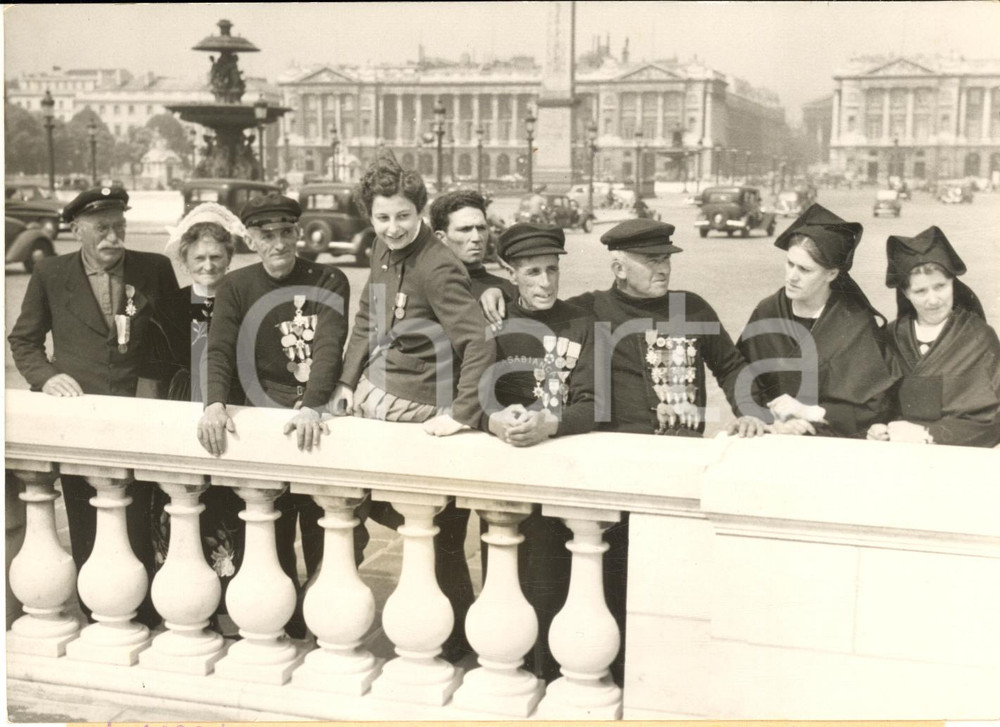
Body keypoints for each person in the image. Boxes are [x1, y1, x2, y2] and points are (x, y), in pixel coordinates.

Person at [480, 217, 767, 684]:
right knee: (605, 583)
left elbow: (732, 366)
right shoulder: (588, 311)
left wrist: (752, 411)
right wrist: (488, 293)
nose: (664, 269)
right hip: (612, 470)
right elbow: (532, 301)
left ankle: (652, 683)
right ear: (618, 266)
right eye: (651, 260)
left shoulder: (691, 307)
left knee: (664, 589)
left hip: (674, 467)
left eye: (666, 259)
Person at [329, 150, 496, 663]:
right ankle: (454, 627)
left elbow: (479, 344)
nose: (393, 227)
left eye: (403, 215)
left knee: (417, 521)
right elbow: (368, 321)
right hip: (385, 385)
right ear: (370, 217)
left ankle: (458, 631)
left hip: (419, 397)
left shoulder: (436, 264)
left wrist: (461, 413)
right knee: (423, 526)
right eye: (382, 217)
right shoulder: (383, 251)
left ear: (419, 211)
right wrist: (343, 380)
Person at [7, 185, 179, 628]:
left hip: (140, 417)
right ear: (77, 229)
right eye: (101, 228)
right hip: (81, 423)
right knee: (85, 517)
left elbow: (173, 341)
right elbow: (23, 341)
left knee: (145, 515)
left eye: (119, 226)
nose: (113, 237)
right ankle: (96, 612)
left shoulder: (154, 269)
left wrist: (150, 386)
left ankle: (146, 612)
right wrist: (46, 378)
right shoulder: (50, 273)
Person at [198, 192, 353, 637]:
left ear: (298, 233)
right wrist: (213, 402)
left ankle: (326, 621)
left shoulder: (329, 278)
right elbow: (221, 348)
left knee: (327, 530)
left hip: (313, 419)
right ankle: (282, 622)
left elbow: (328, 345)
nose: (279, 244)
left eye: (287, 233)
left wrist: (313, 404)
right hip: (264, 422)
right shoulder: (236, 286)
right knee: (271, 529)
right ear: (251, 239)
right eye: (267, 235)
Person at [481, 221, 596, 682]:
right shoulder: (493, 322)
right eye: (532, 272)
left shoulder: (580, 323)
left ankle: (549, 674)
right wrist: (494, 420)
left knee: (555, 580)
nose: (545, 282)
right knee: (508, 576)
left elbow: (595, 401)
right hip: (508, 470)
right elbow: (469, 394)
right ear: (511, 274)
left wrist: (553, 423)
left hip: (559, 467)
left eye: (552, 270)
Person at [146, 203, 246, 630]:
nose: (208, 266)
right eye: (199, 258)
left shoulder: (242, 298)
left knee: (229, 511)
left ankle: (232, 608)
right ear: (184, 260)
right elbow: (151, 372)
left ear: (229, 258)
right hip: (179, 410)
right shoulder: (166, 305)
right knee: (181, 507)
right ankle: (184, 605)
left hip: (231, 413)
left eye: (216, 258)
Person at [737, 203, 898, 438]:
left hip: (833, 440)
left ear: (831, 274)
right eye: (790, 264)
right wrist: (770, 420)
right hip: (774, 435)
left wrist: (809, 412)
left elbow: (875, 405)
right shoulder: (768, 310)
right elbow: (743, 378)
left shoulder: (855, 322)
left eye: (804, 269)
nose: (792, 276)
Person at [867, 226, 1000, 447]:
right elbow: (876, 405)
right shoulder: (891, 336)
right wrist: (876, 429)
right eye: (920, 291)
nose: (933, 299)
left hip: (958, 460)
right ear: (906, 294)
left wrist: (929, 434)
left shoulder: (979, 338)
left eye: (940, 286)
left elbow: (992, 420)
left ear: (953, 283)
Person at [429, 189, 515, 299]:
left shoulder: (511, 292)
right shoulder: (424, 291)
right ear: (441, 238)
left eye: (481, 228)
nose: (477, 237)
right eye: (465, 229)